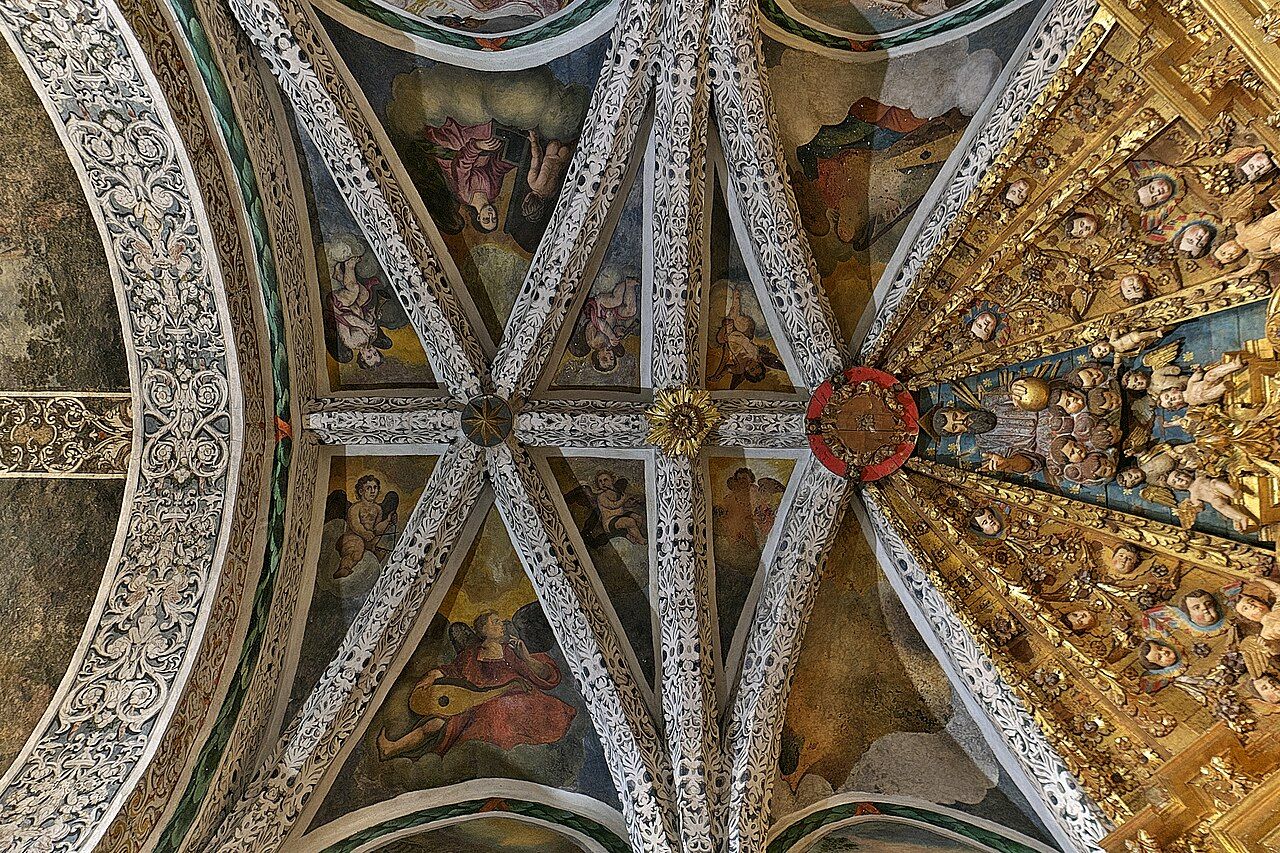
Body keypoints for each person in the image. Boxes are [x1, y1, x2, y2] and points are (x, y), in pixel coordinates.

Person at [377, 611, 575, 760]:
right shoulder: (471, 655)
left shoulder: (513, 650)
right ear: (483, 629)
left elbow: (548, 677)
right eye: (495, 622)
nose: (502, 625)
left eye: (501, 622)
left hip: (517, 698)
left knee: (500, 710)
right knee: (435, 724)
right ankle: (392, 748)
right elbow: (451, 672)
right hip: (474, 703)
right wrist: (430, 676)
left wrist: (527, 659)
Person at [423, 118, 516, 232]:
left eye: (486, 219)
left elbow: (461, 168)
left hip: (453, 157)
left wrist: (475, 146)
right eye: (494, 218)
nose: (491, 215)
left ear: (478, 217)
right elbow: (496, 169)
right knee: (486, 136)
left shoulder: (464, 195)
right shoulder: (493, 193)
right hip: (478, 156)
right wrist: (512, 160)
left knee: (462, 140)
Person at [709, 286, 785, 387]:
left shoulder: (738, 369)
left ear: (747, 373)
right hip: (739, 333)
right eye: (757, 366)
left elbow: (726, 366)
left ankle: (730, 303)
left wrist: (718, 375)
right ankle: (736, 297)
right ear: (759, 362)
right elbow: (745, 340)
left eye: (752, 369)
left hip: (728, 339)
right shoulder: (754, 354)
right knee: (737, 320)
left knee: (720, 337)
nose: (752, 365)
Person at [569, 276, 640, 373]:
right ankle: (629, 285)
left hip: (599, 307)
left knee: (617, 300)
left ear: (597, 356)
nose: (609, 355)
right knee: (630, 311)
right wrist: (618, 332)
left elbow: (595, 321)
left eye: (605, 358)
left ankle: (624, 283)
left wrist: (610, 335)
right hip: (613, 313)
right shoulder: (609, 343)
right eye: (611, 358)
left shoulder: (594, 342)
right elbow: (615, 327)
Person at [335, 475, 396, 578]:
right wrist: (364, 533)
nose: (373, 491)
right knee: (356, 546)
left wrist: (387, 521)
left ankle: (376, 574)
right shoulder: (355, 508)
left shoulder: (377, 509)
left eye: (375, 488)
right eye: (369, 488)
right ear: (361, 491)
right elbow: (355, 524)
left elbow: (377, 528)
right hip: (353, 537)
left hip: (369, 539)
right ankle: (344, 568)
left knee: (383, 546)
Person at [1167, 468, 1259, 531]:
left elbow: (1210, 471)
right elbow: (1200, 507)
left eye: (1178, 475)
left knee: (1215, 483)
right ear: (1177, 488)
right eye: (1174, 482)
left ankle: (1233, 493)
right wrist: (1190, 510)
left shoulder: (1199, 477)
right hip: (1217, 499)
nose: (1178, 479)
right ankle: (1241, 517)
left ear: (1185, 472)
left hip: (1219, 488)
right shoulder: (1193, 496)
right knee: (1216, 504)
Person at [1154, 355, 1247, 409]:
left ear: (1173, 389)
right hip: (1212, 394)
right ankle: (1224, 386)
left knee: (1208, 376)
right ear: (1177, 406)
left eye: (1168, 396)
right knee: (1203, 396)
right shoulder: (1191, 402)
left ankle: (1235, 365)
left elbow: (1196, 377)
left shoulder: (1189, 385)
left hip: (1211, 383)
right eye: (1170, 403)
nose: (1172, 399)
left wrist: (1198, 371)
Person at [522, 130, 573, 221]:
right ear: (527, 199)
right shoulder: (532, 182)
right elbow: (536, 158)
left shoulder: (551, 194)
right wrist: (534, 142)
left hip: (564, 157)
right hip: (552, 150)